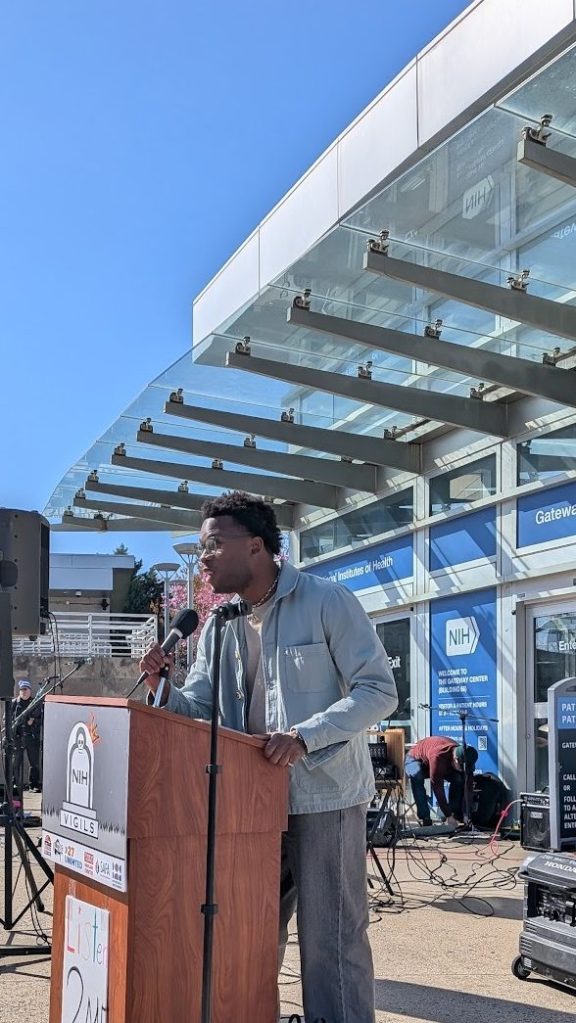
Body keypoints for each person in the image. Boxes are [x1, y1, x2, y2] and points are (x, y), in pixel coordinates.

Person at [140, 490, 398, 1023]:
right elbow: (199, 707)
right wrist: (162, 686)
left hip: (323, 795)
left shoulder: (329, 601)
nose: (203, 558)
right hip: (247, 802)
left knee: (331, 936)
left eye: (212, 546)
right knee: (248, 930)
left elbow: (377, 690)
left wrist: (304, 736)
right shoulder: (220, 624)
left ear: (256, 546)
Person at [404, 735, 478, 828]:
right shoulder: (438, 756)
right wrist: (448, 815)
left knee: (459, 779)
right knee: (417, 777)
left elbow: (469, 787)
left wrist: (466, 814)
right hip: (415, 758)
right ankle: (425, 818)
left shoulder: (466, 757)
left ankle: (456, 814)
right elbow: (437, 788)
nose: (463, 770)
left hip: (438, 762)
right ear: (455, 759)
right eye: (461, 767)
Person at [12, 680, 43, 793]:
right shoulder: (14, 703)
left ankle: (33, 785)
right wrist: (14, 728)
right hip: (18, 738)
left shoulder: (36, 703)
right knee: (15, 763)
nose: (24, 692)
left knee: (34, 763)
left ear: (30, 690)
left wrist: (33, 721)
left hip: (32, 738)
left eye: (26, 689)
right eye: (22, 690)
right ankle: (15, 785)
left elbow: (42, 719)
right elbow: (6, 719)